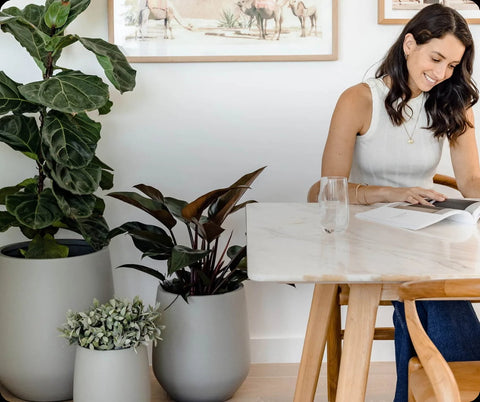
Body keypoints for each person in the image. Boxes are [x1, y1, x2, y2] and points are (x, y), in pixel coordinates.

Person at [320, 4, 480, 401]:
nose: (441, 74)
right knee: (431, 282)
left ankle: (421, 393)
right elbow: (325, 190)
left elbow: (471, 180)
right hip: (365, 234)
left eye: (452, 65)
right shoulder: (359, 100)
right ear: (410, 43)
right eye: (436, 58)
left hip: (425, 230)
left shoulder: (450, 101)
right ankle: (459, 386)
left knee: (428, 277)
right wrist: (391, 194)